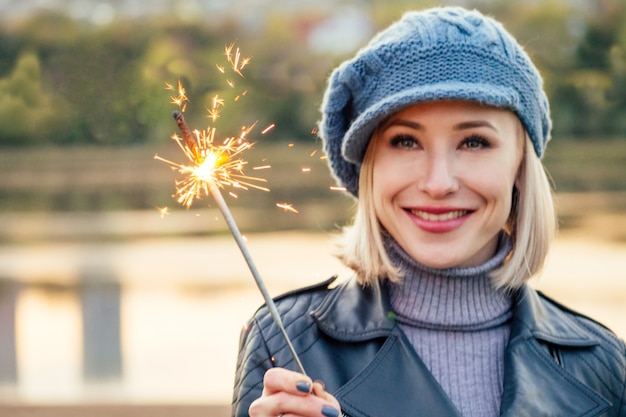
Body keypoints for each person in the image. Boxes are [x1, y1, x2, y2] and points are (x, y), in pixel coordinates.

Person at [232, 6, 626, 417]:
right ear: (369, 167)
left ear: (521, 167)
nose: (439, 183)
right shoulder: (285, 343)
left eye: (474, 142)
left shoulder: (602, 365)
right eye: (405, 141)